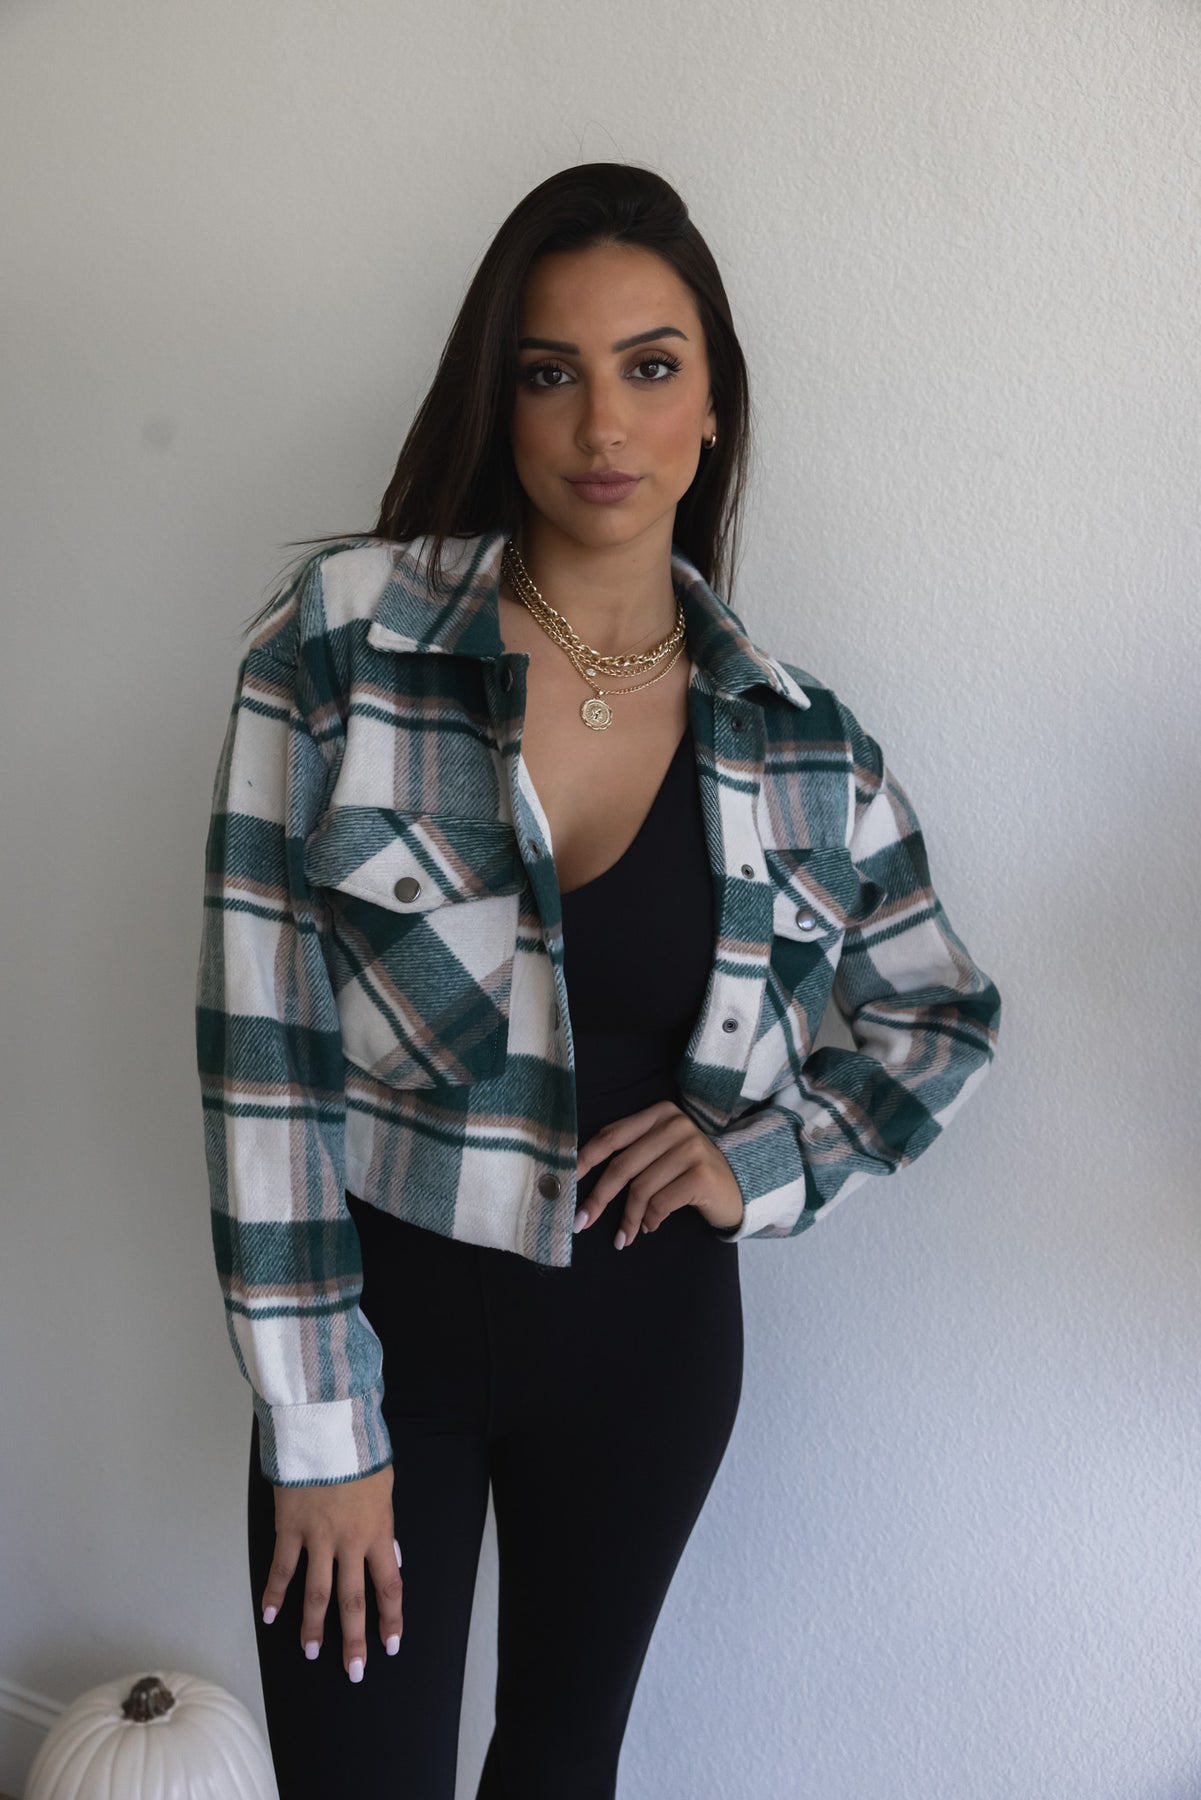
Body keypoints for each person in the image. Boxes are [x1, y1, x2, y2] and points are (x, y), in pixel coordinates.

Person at [194, 161, 1002, 1799]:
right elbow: (261, 1055)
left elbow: (938, 1012)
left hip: (648, 1354)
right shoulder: (341, 641)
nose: (601, 423)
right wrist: (319, 1429)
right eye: (550, 372)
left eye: (649, 366)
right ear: (499, 402)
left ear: (713, 407)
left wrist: (761, 1159)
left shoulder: (799, 742)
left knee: (561, 1770)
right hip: (385, 1343)